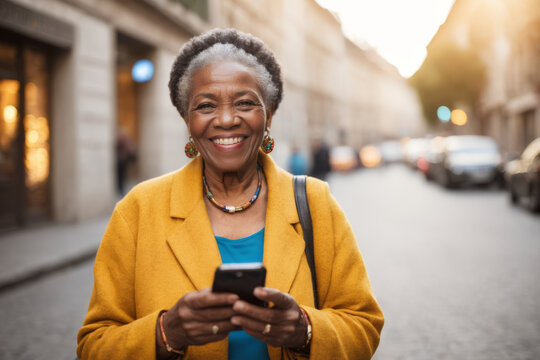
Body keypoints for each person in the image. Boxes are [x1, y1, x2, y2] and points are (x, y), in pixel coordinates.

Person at [77, 28, 383, 360]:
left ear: (268, 115)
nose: (226, 119)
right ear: (187, 119)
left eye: (245, 103)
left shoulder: (315, 203)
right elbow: (94, 345)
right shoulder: (138, 209)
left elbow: (363, 326)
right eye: (206, 105)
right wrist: (167, 333)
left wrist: (304, 330)